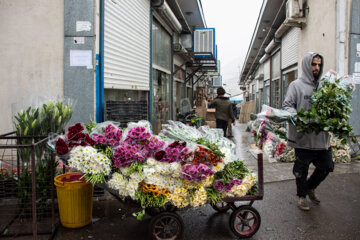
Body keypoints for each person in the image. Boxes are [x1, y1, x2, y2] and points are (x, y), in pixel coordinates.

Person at [283, 52, 334, 211]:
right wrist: (295, 115)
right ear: (307, 65)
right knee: (301, 170)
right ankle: (302, 197)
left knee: (327, 166)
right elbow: (287, 105)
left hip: (321, 139)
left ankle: (310, 187)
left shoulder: (325, 87)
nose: (317, 68)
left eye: (319, 64)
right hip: (303, 138)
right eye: (314, 64)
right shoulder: (296, 85)